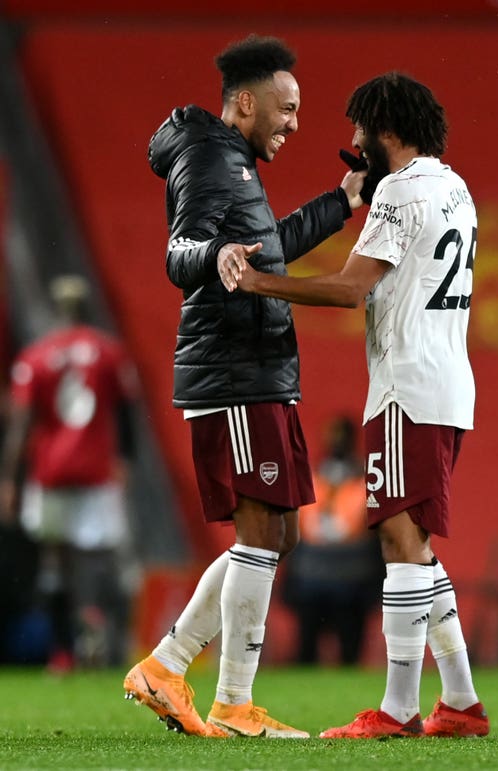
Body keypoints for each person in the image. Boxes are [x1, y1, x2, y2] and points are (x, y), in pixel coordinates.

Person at [226, 71, 489, 739]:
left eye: (360, 130)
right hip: (448, 382)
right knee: (418, 545)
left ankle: (399, 709)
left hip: (406, 386)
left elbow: (350, 291)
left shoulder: (400, 192)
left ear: (388, 131)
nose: (353, 141)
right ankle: (459, 699)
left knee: (400, 540)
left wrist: (258, 281)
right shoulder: (455, 187)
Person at [123, 34, 364, 739]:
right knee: (262, 532)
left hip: (256, 366)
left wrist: (342, 201)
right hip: (231, 370)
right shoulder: (205, 154)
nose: (294, 123)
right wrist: (214, 252)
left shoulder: (234, 161)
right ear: (248, 102)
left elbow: (275, 245)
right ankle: (232, 701)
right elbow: (178, 250)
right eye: (286, 110)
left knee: (281, 531)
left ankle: (168, 664)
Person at [0, 274, 138, 672]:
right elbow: (127, 412)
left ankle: (62, 652)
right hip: (97, 470)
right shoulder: (110, 351)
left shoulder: (36, 357)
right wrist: (125, 459)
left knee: (53, 559)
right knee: (97, 553)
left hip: (50, 472)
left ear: (56, 310)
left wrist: (10, 477)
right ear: (87, 307)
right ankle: (94, 621)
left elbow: (22, 422)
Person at [282, 415, 383, 665]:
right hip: (312, 575)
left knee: (350, 650)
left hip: (352, 577)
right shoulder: (316, 478)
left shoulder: (364, 482)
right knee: (306, 650)